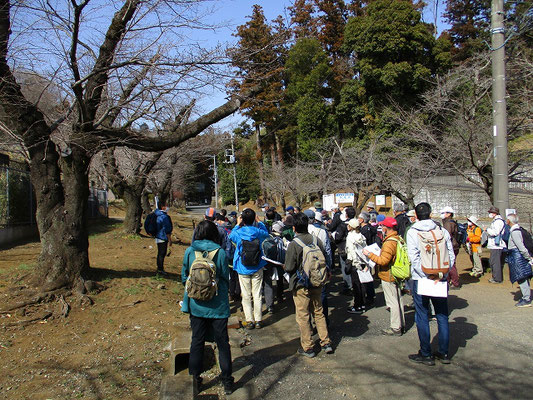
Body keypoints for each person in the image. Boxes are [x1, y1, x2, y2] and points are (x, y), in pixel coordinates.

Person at [181, 220, 234, 395]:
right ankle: (227, 382)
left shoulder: (190, 251)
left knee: (197, 341)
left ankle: (195, 378)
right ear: (214, 234)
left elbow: (184, 277)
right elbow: (225, 277)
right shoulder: (219, 252)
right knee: (223, 343)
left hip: (196, 305)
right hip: (218, 306)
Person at [406, 202, 455, 365]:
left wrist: (427, 274)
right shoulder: (441, 230)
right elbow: (451, 255)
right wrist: (442, 273)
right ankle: (444, 353)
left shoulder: (413, 231)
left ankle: (426, 353)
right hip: (440, 277)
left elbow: (414, 258)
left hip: (422, 278)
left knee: (422, 315)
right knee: (442, 315)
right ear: (431, 213)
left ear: (416, 214)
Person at [284, 212, 333, 358]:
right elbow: (324, 256)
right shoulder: (316, 240)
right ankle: (326, 342)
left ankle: (308, 347)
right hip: (317, 281)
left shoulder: (294, 244)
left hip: (301, 284)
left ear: (294, 228)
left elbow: (289, 267)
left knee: (303, 315)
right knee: (319, 312)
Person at [229, 208, 269, 329]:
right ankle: (258, 320)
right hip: (257, 266)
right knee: (257, 294)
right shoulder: (258, 232)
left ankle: (249, 320)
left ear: (243, 220)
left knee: (246, 295)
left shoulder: (238, 233)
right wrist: (260, 221)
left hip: (242, 267)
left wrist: (237, 224)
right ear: (254, 219)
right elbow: (267, 234)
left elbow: (230, 236)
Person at [363, 217, 405, 335]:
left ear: (386, 228)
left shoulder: (389, 242)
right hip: (397, 273)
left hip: (389, 274)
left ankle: (396, 327)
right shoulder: (398, 239)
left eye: (383, 227)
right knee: (398, 299)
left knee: (392, 302)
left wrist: (370, 254)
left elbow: (383, 261)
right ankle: (402, 323)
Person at [506, 214, 532, 307]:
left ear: (509, 221)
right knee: (523, 276)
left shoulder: (514, 232)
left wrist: (528, 257)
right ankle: (527, 296)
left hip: (518, 257)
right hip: (520, 256)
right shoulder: (519, 229)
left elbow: (521, 247)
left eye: (507, 219)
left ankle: (526, 299)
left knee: (521, 277)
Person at [345, 219, 368, 314]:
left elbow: (351, 251)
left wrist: (356, 264)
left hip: (355, 264)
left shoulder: (350, 237)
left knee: (356, 285)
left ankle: (357, 306)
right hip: (362, 262)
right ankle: (362, 304)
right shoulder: (361, 236)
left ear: (351, 227)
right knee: (362, 285)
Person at [263, 221, 286, 313]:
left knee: (268, 283)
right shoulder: (281, 239)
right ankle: (280, 296)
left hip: (268, 262)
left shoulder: (267, 238)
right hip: (279, 262)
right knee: (279, 280)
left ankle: (269, 304)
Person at [334, 206, 357, 294]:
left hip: (344, 249)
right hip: (354, 249)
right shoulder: (356, 224)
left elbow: (338, 237)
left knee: (345, 268)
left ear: (346, 215)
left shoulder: (343, 225)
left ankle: (348, 287)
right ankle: (355, 285)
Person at [486, 206, 507, 283]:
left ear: (494, 213)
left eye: (491, 212)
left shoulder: (498, 221)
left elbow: (495, 232)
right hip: (495, 244)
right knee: (494, 262)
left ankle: (497, 278)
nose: (490, 214)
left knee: (495, 262)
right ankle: (495, 277)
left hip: (497, 245)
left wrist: (487, 229)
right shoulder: (497, 221)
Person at [441, 207, 460, 288]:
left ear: (449, 214)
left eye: (444, 213)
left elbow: (447, 235)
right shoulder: (451, 222)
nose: (442, 214)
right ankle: (448, 280)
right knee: (449, 264)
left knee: (451, 265)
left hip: (451, 245)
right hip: (454, 245)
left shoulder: (448, 223)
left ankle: (455, 282)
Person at [154, 202, 172, 277]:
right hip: (163, 237)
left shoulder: (157, 215)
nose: (167, 207)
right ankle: (160, 269)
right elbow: (167, 229)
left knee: (160, 253)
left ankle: (159, 268)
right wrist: (170, 239)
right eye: (166, 205)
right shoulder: (164, 217)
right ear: (162, 207)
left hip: (158, 236)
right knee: (162, 253)